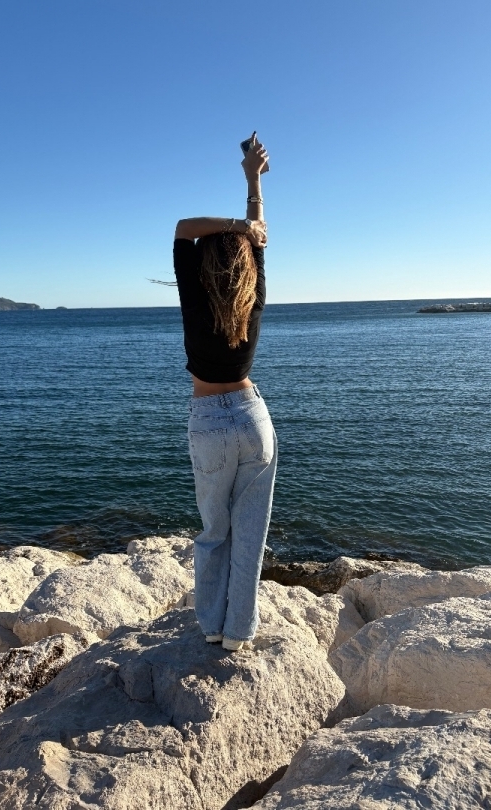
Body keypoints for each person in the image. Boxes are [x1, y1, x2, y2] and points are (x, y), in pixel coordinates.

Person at [173, 135, 277, 651]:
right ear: (248, 269)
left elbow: (183, 228)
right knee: (250, 534)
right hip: (253, 417)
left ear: (202, 267)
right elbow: (259, 238)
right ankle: (240, 632)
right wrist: (253, 180)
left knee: (215, 531)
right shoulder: (253, 297)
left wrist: (239, 222)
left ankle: (213, 626)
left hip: (209, 422)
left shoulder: (194, 294)